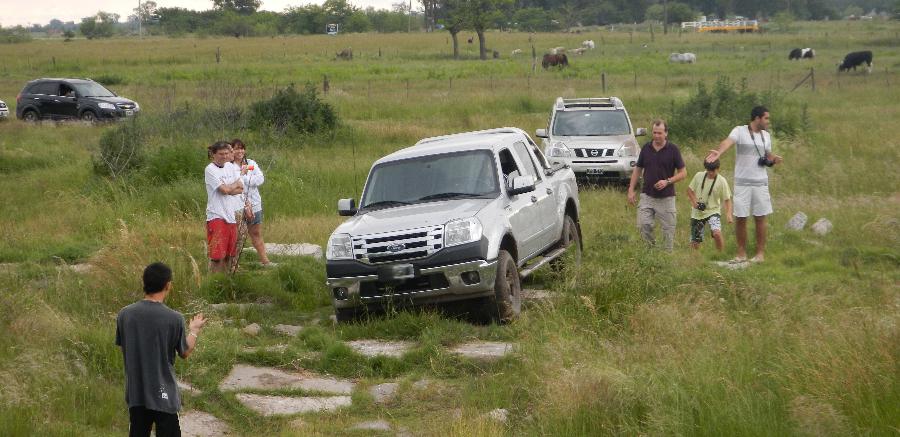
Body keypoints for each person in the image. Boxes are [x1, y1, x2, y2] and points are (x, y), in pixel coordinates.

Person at [116, 262, 207, 437]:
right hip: (163, 392)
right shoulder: (174, 318)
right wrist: (194, 330)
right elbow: (185, 352)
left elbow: (126, 348)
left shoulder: (124, 315)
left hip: (136, 393)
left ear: (144, 282)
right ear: (168, 285)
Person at [706, 106, 783, 263]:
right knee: (741, 218)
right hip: (742, 183)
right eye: (766, 118)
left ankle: (760, 255)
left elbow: (767, 155)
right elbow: (728, 142)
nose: (768, 121)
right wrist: (719, 152)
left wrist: (773, 159)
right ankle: (741, 254)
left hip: (760, 183)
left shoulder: (766, 136)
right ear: (757, 118)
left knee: (760, 218)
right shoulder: (739, 131)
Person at [627, 119, 687, 251]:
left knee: (668, 230)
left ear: (666, 133)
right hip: (647, 195)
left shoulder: (673, 149)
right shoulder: (646, 149)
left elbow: (683, 173)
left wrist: (668, 181)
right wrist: (631, 190)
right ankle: (650, 252)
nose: (656, 136)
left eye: (659, 133)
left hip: (666, 198)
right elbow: (638, 169)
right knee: (643, 225)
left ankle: (666, 257)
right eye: (654, 133)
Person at [231, 139, 271, 266]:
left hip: (255, 203)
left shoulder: (250, 163)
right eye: (237, 148)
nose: (240, 151)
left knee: (256, 233)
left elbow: (260, 179)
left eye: (242, 148)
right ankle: (233, 263)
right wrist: (243, 177)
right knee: (238, 235)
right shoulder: (229, 167)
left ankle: (265, 261)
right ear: (231, 150)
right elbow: (234, 185)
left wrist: (245, 177)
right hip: (237, 205)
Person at [205, 141, 244, 273]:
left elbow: (241, 188)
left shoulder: (230, 167)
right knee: (217, 257)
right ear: (213, 154)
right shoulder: (210, 169)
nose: (224, 156)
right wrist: (231, 187)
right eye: (221, 154)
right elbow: (224, 190)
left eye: (226, 153)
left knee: (229, 255)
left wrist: (229, 187)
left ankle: (225, 281)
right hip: (216, 215)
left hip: (230, 216)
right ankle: (214, 283)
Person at [687, 159, 733, 251]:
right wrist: (694, 202)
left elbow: (727, 200)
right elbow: (689, 190)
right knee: (695, 242)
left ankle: (720, 254)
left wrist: (728, 214)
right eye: (708, 170)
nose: (710, 173)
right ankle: (696, 259)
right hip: (697, 213)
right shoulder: (698, 176)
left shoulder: (722, 181)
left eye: (713, 170)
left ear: (718, 169)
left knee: (717, 233)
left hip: (713, 211)